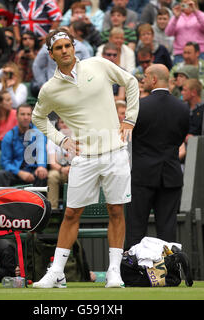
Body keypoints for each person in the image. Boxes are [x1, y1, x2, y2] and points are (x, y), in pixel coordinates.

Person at [31, 28, 139, 288]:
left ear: (74, 47)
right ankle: (57, 272)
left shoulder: (98, 64)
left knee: (115, 210)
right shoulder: (49, 89)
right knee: (70, 214)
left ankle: (114, 272)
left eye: (68, 45)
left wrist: (129, 119)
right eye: (59, 48)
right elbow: (37, 117)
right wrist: (62, 140)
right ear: (51, 54)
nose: (65, 50)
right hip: (84, 158)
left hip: (115, 152)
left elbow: (131, 82)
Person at [126, 64, 189, 248]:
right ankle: (168, 274)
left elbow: (129, 138)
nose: (143, 80)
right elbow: (179, 139)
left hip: (141, 176)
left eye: (145, 77)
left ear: (154, 79)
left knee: (135, 229)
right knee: (168, 231)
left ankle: (134, 274)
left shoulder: (138, 107)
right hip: (170, 175)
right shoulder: (182, 108)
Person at [0, 104, 48, 188]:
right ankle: (7, 200)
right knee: (1, 174)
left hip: (33, 171)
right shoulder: (9, 136)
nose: (26, 117)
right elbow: (5, 162)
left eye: (28, 114)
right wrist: (19, 172)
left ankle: (36, 201)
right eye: (22, 114)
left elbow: (42, 153)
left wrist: (41, 167)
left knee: (42, 174)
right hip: (15, 172)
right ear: (16, 116)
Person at [165, 0, 204, 64]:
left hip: (200, 52)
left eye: (189, 3)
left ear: (194, 3)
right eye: (184, 3)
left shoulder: (201, 14)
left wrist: (195, 11)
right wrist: (176, 17)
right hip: (181, 53)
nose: (187, 5)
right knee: (178, 73)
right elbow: (168, 33)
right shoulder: (176, 17)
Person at [47, 118, 72, 210]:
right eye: (62, 122)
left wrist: (72, 168)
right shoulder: (53, 139)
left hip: (75, 170)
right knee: (52, 175)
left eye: (66, 121)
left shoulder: (78, 138)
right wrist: (62, 169)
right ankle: (52, 209)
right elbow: (52, 162)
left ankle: (74, 209)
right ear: (58, 124)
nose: (64, 124)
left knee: (79, 175)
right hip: (59, 170)